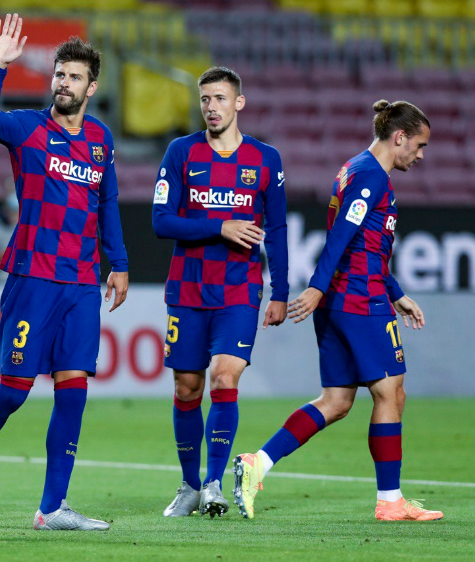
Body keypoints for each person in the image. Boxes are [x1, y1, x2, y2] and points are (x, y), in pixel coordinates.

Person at [0, 14, 128, 531]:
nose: (62, 83)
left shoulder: (100, 140)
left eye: (73, 77)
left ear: (92, 86)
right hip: (33, 279)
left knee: (73, 390)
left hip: (83, 283)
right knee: (15, 392)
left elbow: (107, 202)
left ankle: (52, 507)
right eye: (58, 74)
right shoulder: (27, 127)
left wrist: (121, 264)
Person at [232, 100, 443, 522]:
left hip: (348, 297)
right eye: (418, 145)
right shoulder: (370, 177)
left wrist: (396, 291)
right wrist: (315, 288)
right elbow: (342, 235)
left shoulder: (355, 168)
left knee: (337, 399)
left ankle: (259, 464)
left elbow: (369, 247)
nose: (420, 155)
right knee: (391, 392)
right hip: (360, 301)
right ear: (398, 136)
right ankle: (390, 501)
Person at [152, 66, 289, 518]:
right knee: (187, 387)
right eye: (205, 99)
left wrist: (281, 290)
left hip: (239, 289)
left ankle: (212, 483)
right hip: (188, 288)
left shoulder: (266, 159)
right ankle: (190, 485)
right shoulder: (180, 152)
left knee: (224, 377)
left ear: (239, 103)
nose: (212, 107)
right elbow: (161, 221)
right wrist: (221, 225)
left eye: (220, 99)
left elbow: (280, 229)